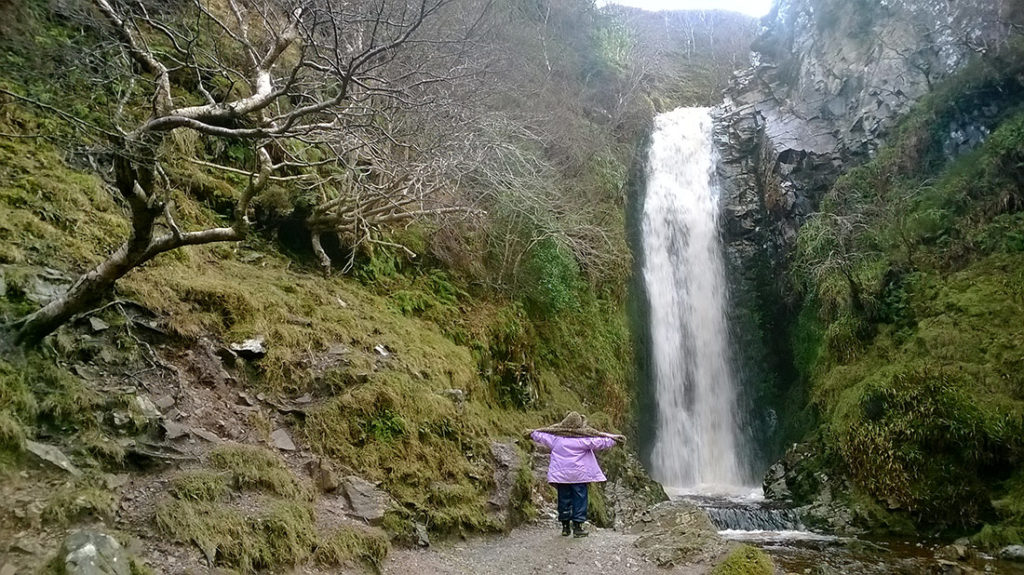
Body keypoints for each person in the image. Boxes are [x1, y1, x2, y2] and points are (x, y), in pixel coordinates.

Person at [527, 412, 626, 538]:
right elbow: (600, 441)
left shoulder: (555, 439)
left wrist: (531, 433)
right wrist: (614, 440)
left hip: (561, 476)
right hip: (579, 476)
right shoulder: (583, 440)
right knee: (579, 499)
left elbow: (541, 436)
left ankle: (565, 527)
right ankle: (578, 527)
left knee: (563, 499)